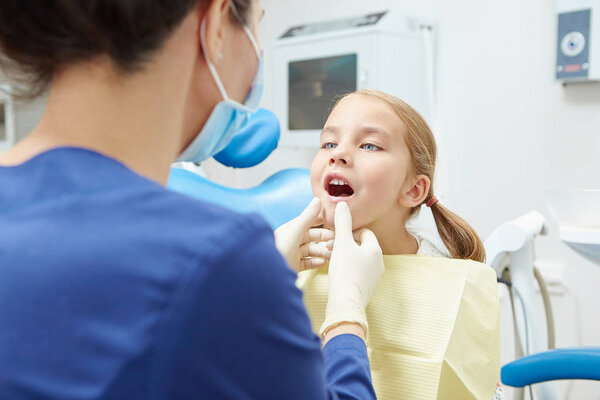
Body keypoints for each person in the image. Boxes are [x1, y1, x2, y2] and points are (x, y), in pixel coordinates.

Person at [0, 1, 385, 399]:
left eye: (371, 145)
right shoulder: (216, 258)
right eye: (258, 27)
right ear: (217, 22)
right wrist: (346, 315)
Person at [297, 89, 503, 399]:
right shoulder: (291, 262)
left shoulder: (451, 285)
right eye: (329, 142)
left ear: (413, 189)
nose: (336, 154)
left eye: (369, 145)